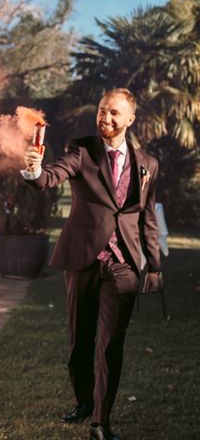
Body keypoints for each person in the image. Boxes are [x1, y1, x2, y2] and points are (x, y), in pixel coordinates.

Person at [22, 88, 161, 440]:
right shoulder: (81, 150)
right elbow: (51, 176)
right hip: (83, 258)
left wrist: (154, 266)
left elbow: (146, 218)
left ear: (130, 118)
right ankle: (84, 400)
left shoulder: (148, 164)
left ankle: (101, 420)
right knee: (80, 341)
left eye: (114, 113)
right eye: (102, 110)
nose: (106, 118)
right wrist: (36, 171)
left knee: (111, 345)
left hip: (125, 263)